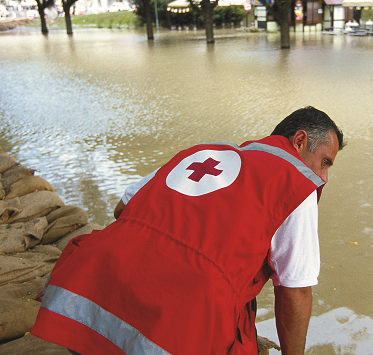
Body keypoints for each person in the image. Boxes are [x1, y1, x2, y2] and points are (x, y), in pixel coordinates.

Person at [31, 106, 345, 355]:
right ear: (300, 140)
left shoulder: (203, 153)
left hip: (88, 292)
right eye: (325, 162)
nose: (324, 177)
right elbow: (296, 290)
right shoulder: (295, 184)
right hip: (178, 323)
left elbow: (122, 210)